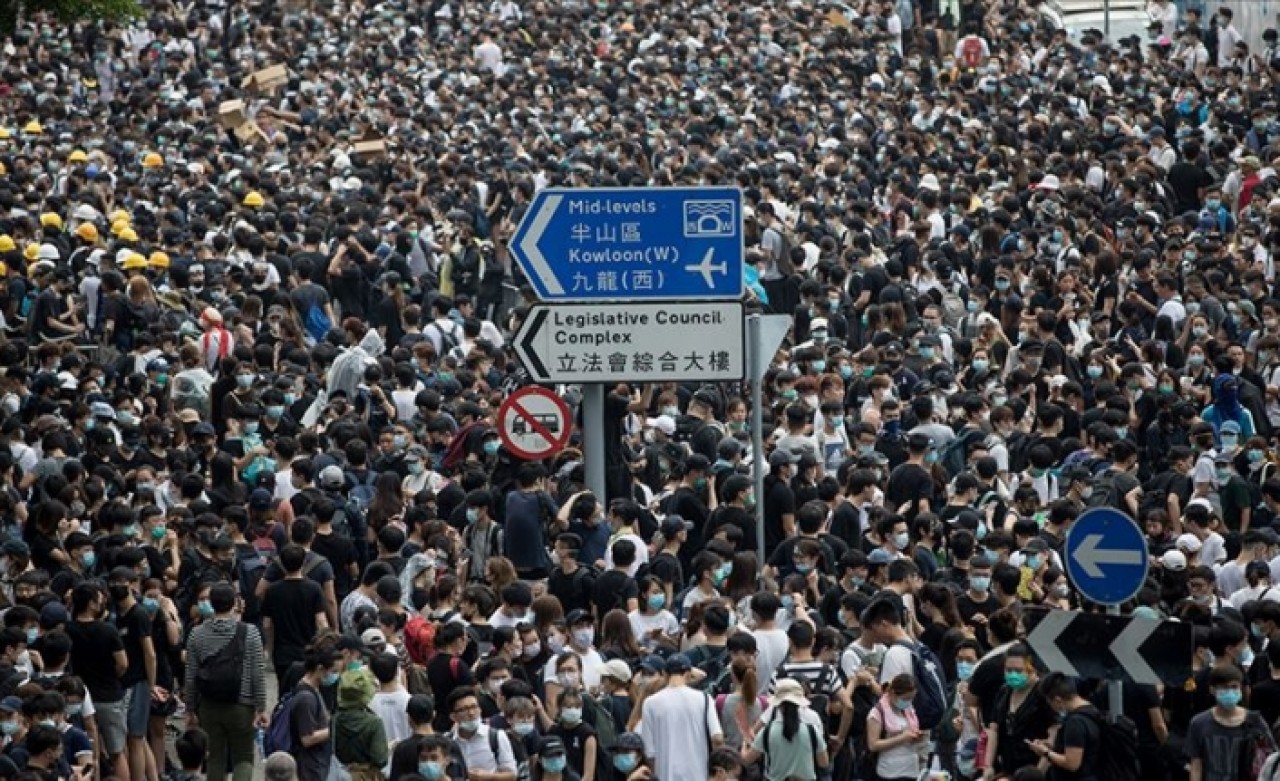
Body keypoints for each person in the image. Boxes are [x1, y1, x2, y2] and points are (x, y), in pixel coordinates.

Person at [182, 582, 267, 781]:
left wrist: (190, 708)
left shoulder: (197, 634)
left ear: (211, 603)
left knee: (214, 757)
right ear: (235, 603)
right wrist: (261, 707)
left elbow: (191, 674)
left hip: (209, 705)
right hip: (242, 704)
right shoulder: (250, 632)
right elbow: (257, 672)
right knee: (243, 756)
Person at [637, 655, 723, 781]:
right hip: (698, 775)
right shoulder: (704, 699)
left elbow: (649, 752)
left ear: (664, 674)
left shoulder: (650, 703)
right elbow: (717, 738)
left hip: (665, 775)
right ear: (688, 674)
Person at [742, 678, 830, 781]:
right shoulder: (812, 730)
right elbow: (824, 762)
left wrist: (744, 745)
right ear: (799, 703)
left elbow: (746, 760)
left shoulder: (767, 731)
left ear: (778, 705)